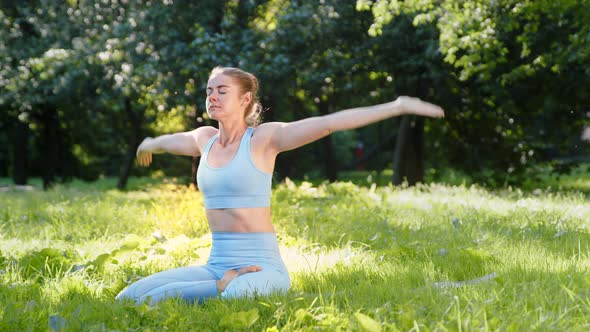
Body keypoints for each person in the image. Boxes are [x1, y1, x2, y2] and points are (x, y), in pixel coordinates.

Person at [115, 66, 444, 305]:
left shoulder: (263, 139)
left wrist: (397, 106)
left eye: (221, 90)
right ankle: (221, 283)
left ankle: (222, 288)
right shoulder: (205, 140)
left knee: (225, 298)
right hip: (217, 262)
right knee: (128, 297)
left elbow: (328, 123)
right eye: (209, 91)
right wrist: (149, 142)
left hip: (262, 266)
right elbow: (174, 140)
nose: (212, 96)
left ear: (245, 99)